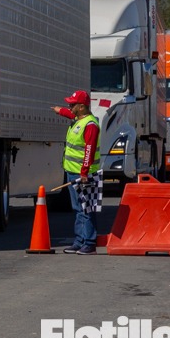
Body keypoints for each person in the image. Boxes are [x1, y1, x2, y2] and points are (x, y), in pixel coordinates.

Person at [52, 89, 101, 255]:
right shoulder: (78, 119)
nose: (69, 106)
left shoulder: (90, 125)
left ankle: (89, 242)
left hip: (85, 175)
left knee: (87, 209)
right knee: (79, 209)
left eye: (72, 104)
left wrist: (85, 172)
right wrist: (59, 110)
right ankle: (79, 241)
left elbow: (89, 149)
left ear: (81, 107)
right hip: (73, 172)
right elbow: (68, 114)